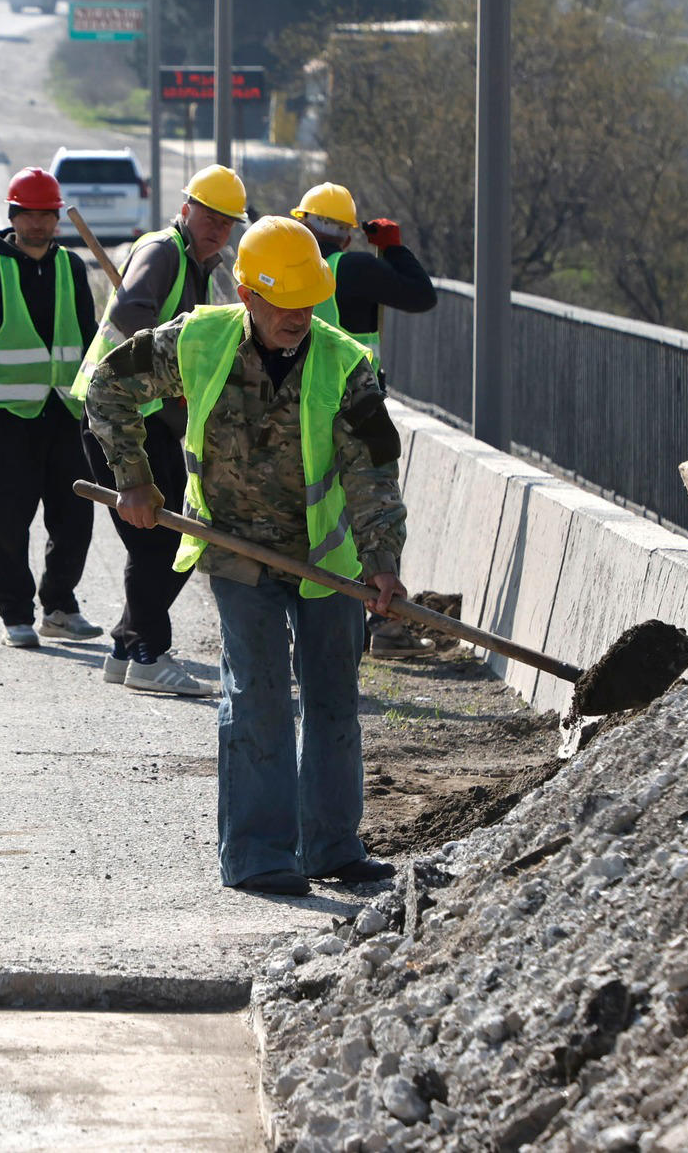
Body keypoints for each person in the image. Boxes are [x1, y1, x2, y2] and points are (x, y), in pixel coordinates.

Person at [85, 215, 408, 898]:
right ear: (249, 296)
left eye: (307, 301)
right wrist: (134, 478)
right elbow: (110, 384)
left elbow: (374, 471)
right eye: (282, 302)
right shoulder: (199, 340)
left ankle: (332, 844)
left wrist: (382, 561)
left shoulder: (347, 364)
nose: (298, 315)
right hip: (238, 549)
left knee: (330, 699)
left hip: (330, 560)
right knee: (256, 694)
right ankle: (259, 853)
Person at [70, 164, 247, 698]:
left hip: (149, 421)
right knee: (160, 541)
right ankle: (148, 652)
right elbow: (130, 313)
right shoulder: (164, 250)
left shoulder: (199, 265)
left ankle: (128, 646)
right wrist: (171, 373)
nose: (218, 229)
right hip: (119, 417)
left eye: (227, 222)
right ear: (187, 209)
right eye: (210, 217)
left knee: (169, 535)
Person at [0, 168, 104, 649]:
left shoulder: (72, 267)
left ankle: (59, 605)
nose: (38, 225)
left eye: (46, 216)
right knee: (7, 521)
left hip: (66, 414)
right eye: (29, 216)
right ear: (13, 216)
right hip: (7, 418)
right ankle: (15, 614)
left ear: (57, 219)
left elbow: (89, 336)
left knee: (75, 518)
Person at [289, 181, 437, 378]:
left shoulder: (283, 268)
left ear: (302, 226)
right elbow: (423, 295)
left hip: (294, 396)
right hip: (353, 400)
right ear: (347, 239)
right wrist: (393, 249)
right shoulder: (357, 270)